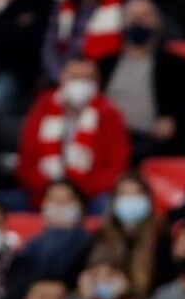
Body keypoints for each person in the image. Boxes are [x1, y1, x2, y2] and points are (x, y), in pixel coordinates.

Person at [102, 0, 185, 161]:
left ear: (159, 22)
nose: (138, 21)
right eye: (132, 16)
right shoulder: (104, 65)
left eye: (145, 15)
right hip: (107, 139)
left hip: (152, 142)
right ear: (122, 22)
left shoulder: (179, 66)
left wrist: (175, 122)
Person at [14, 56, 131, 206]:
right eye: (75, 77)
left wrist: (80, 189)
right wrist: (51, 188)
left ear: (97, 81)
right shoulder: (42, 107)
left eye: (87, 78)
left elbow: (117, 167)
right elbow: (26, 162)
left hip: (90, 194)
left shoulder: (110, 113)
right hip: (43, 191)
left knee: (106, 204)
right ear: (62, 77)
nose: (80, 83)